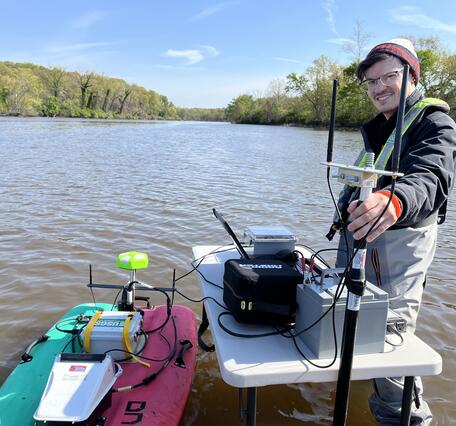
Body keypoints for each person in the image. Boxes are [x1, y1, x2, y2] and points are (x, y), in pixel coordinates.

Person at [329, 39, 456, 425]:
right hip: (360, 241)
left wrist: (394, 202)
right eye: (371, 81)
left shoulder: (436, 123)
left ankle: (409, 419)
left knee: (389, 341)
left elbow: (431, 178)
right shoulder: (383, 126)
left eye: (389, 76)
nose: (378, 87)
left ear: (413, 75)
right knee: (345, 323)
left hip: (399, 250)